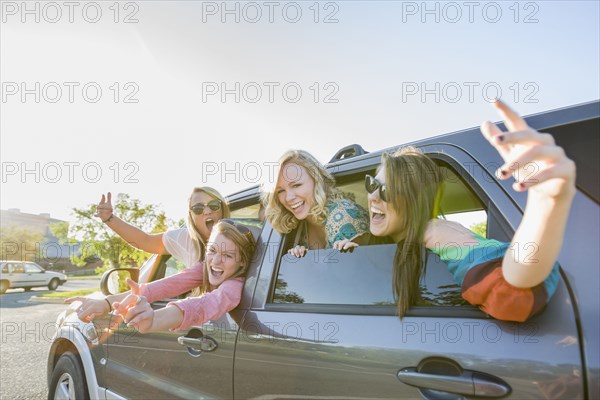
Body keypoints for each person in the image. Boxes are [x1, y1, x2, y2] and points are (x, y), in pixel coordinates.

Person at [341, 100, 575, 322]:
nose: (372, 196)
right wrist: (353, 257)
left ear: (414, 202)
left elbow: (512, 292)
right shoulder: (371, 239)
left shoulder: (438, 233)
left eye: (387, 190)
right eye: (372, 184)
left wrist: (545, 203)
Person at [66, 220, 256, 332]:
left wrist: (155, 320)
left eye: (228, 255)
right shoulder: (205, 268)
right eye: (212, 250)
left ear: (242, 262)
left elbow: (204, 305)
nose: (216, 260)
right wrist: (107, 303)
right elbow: (164, 286)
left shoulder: (234, 286)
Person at [262, 149, 370, 257]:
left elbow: (358, 268)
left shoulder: (344, 215)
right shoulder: (297, 224)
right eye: (280, 191)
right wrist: (300, 257)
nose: (289, 198)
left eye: (296, 185)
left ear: (317, 180)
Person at [95, 187, 229, 267]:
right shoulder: (185, 239)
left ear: (222, 209)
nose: (207, 211)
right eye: (198, 208)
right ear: (191, 216)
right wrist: (109, 219)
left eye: (214, 205)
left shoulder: (243, 236)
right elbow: (144, 241)